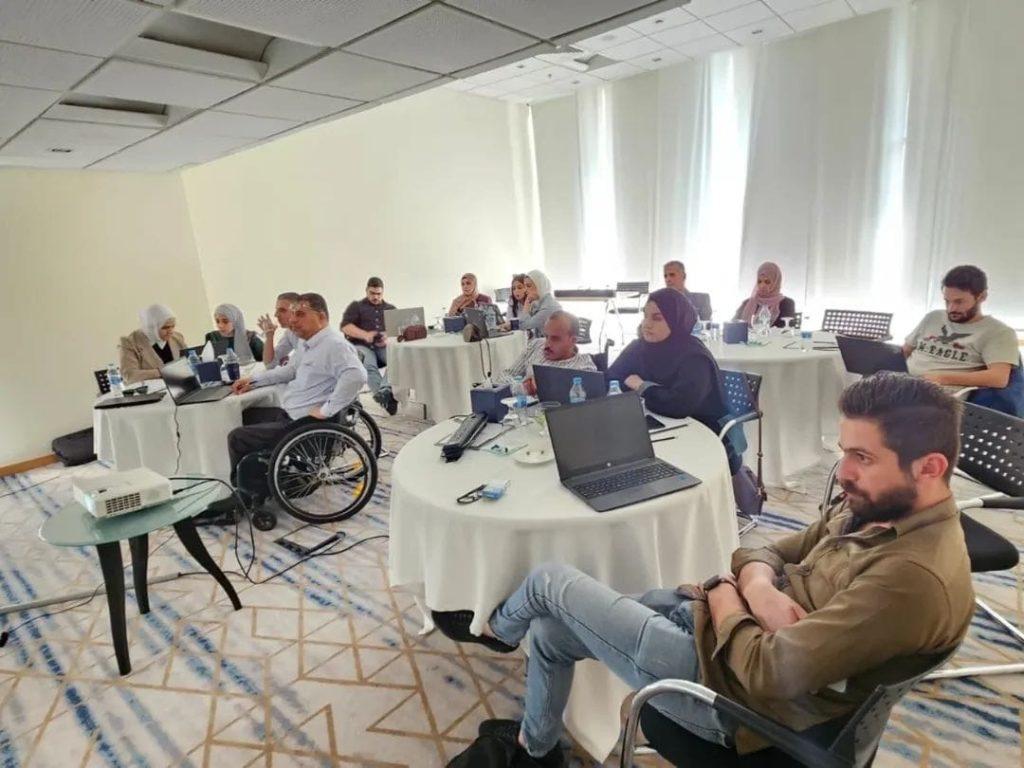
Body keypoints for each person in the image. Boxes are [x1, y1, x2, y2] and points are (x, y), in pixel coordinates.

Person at [432, 373, 973, 766]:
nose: (844, 472)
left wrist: (723, 592)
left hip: (738, 702)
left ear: (930, 468)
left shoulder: (911, 579)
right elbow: (762, 553)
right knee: (551, 630)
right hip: (720, 634)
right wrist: (758, 589)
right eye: (845, 451)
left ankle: (497, 631)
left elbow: (769, 672)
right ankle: (534, 749)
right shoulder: (875, 507)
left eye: (864, 457)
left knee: (551, 581)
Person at [217, 293, 367, 496]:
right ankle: (259, 476)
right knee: (246, 414)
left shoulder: (334, 345)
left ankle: (244, 493)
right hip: (292, 413)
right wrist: (253, 381)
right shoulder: (308, 344)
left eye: (301, 314)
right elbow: (288, 371)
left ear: (321, 317)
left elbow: (356, 376)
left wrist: (326, 410)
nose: (293, 320)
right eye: (293, 314)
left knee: (237, 438)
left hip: (302, 424)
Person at [608, 288, 738, 468]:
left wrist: (641, 386)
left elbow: (679, 405)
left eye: (657, 318)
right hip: (657, 430)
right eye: (645, 316)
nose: (646, 324)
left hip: (703, 438)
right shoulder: (640, 347)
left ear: (676, 320)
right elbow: (612, 377)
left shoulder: (694, 356)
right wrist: (653, 393)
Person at [903, 265, 1019, 392]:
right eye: (947, 301)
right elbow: (906, 350)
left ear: (982, 296)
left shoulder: (999, 332)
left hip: (937, 393)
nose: (951, 309)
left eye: (959, 302)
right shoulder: (933, 317)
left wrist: (940, 378)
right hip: (904, 382)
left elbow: (998, 378)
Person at [493, 311, 596, 395]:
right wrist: (521, 387)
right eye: (546, 336)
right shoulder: (537, 345)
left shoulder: (584, 367)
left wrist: (543, 386)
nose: (547, 344)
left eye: (555, 339)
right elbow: (505, 375)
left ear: (573, 341)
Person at [341, 277, 398, 415]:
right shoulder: (356, 307)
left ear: (383, 292)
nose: (375, 297)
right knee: (369, 365)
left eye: (379, 294)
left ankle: (385, 391)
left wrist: (387, 337)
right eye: (372, 293)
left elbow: (398, 330)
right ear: (366, 290)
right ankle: (387, 399)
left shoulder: (391, 309)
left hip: (382, 346)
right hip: (362, 345)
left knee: (397, 358)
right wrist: (365, 335)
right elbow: (345, 327)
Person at [119, 304, 187, 384]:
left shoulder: (177, 337)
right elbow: (130, 375)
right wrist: (164, 371)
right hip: (151, 389)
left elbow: (188, 363)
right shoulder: (130, 343)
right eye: (165, 327)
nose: (171, 331)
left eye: (173, 326)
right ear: (151, 327)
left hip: (180, 386)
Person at [733, 262, 796, 328]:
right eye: (759, 281)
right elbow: (733, 325)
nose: (762, 285)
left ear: (776, 282)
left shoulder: (786, 303)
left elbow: (787, 329)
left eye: (767, 282)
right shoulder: (747, 303)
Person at [505, 270, 561, 336]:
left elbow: (525, 325)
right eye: (525, 286)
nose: (526, 290)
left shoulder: (549, 306)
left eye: (529, 286)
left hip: (555, 341)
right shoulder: (539, 303)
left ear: (539, 285)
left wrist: (526, 304)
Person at [257, 292, 300, 369]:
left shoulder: (310, 333)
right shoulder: (289, 333)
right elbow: (270, 364)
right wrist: (269, 335)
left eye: (282, 310)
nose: (276, 315)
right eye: (277, 310)